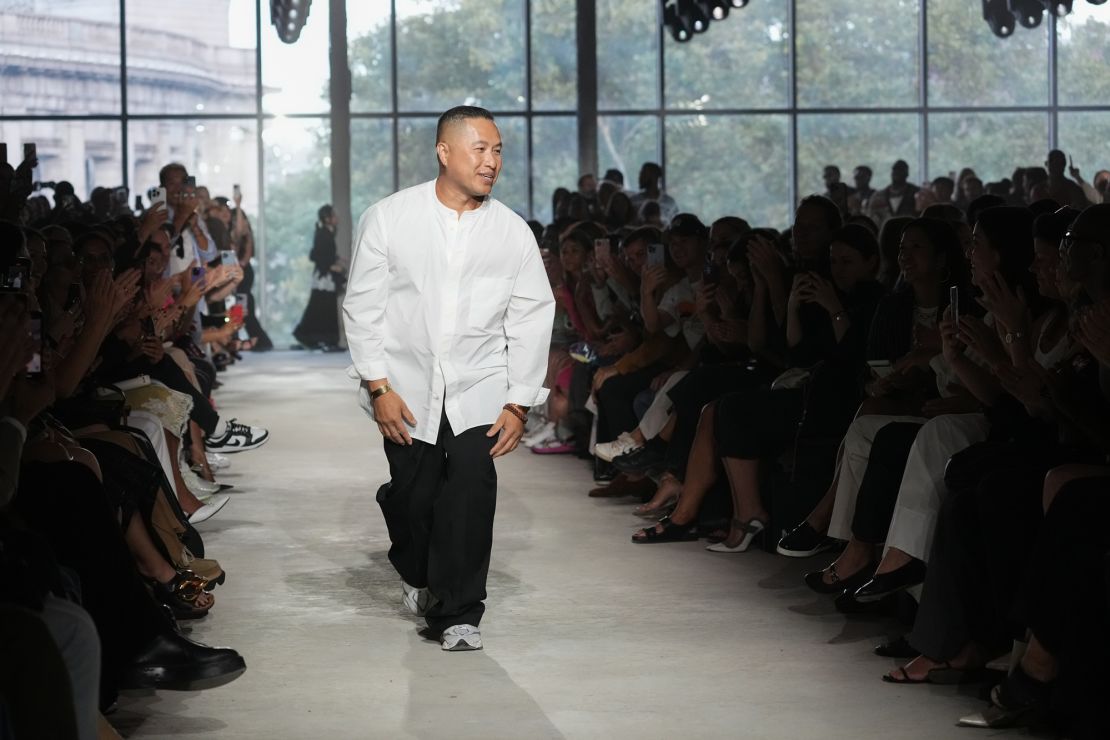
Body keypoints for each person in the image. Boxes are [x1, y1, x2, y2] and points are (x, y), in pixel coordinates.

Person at [342, 105, 555, 651]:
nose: (492, 162)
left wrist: (519, 402)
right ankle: (416, 568)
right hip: (405, 389)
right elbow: (363, 307)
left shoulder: (511, 232)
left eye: (499, 149)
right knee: (414, 500)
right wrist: (378, 387)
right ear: (445, 152)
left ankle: (460, 612)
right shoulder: (390, 217)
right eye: (480, 149)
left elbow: (532, 316)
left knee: (469, 487)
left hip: (479, 386)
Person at [293, 204, 346, 351]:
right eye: (334, 215)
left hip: (324, 275)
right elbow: (316, 255)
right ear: (328, 218)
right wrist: (331, 266)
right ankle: (326, 340)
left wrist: (337, 259)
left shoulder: (326, 232)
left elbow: (321, 253)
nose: (337, 218)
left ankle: (311, 337)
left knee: (319, 308)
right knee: (323, 308)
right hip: (324, 276)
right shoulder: (323, 233)